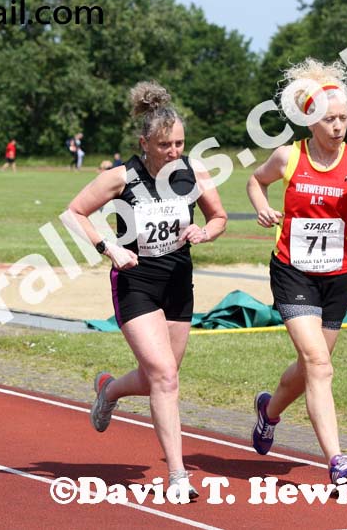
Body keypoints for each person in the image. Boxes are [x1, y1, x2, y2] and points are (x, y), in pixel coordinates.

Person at [67, 81, 227, 497]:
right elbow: (74, 214)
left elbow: (219, 217)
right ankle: (177, 476)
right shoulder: (122, 177)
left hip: (178, 283)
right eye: (165, 145)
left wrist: (204, 232)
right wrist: (109, 248)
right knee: (165, 378)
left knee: (163, 376)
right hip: (136, 282)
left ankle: (110, 390)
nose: (174, 152)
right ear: (144, 143)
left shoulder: (193, 172)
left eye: (179, 143)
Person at [246, 58, 347, 485]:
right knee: (319, 364)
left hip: (337, 278)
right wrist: (262, 208)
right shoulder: (287, 156)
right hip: (293, 272)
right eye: (330, 119)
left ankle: (268, 411)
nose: (338, 126)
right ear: (311, 120)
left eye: (344, 118)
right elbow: (255, 181)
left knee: (311, 365)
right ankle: (336, 460)